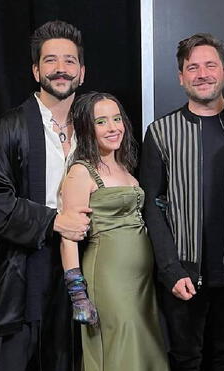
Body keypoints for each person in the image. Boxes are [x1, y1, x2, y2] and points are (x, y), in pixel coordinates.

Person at [140, 33, 224, 370]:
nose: (202, 73)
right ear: (181, 77)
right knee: (185, 360)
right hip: (183, 273)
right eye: (192, 67)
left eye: (210, 65)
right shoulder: (162, 132)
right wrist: (169, 269)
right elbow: (151, 205)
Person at [0, 20, 90, 371]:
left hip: (84, 264)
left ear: (82, 73)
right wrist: (55, 221)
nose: (61, 69)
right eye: (51, 60)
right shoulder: (10, 126)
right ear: (36, 70)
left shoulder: (95, 127)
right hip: (24, 269)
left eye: (69, 61)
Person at [59, 92, 169, 370]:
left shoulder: (125, 166)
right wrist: (78, 294)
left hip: (141, 282)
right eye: (102, 122)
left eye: (117, 119)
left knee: (146, 349)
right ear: (86, 128)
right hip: (109, 280)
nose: (113, 127)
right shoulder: (81, 172)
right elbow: (69, 237)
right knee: (121, 351)